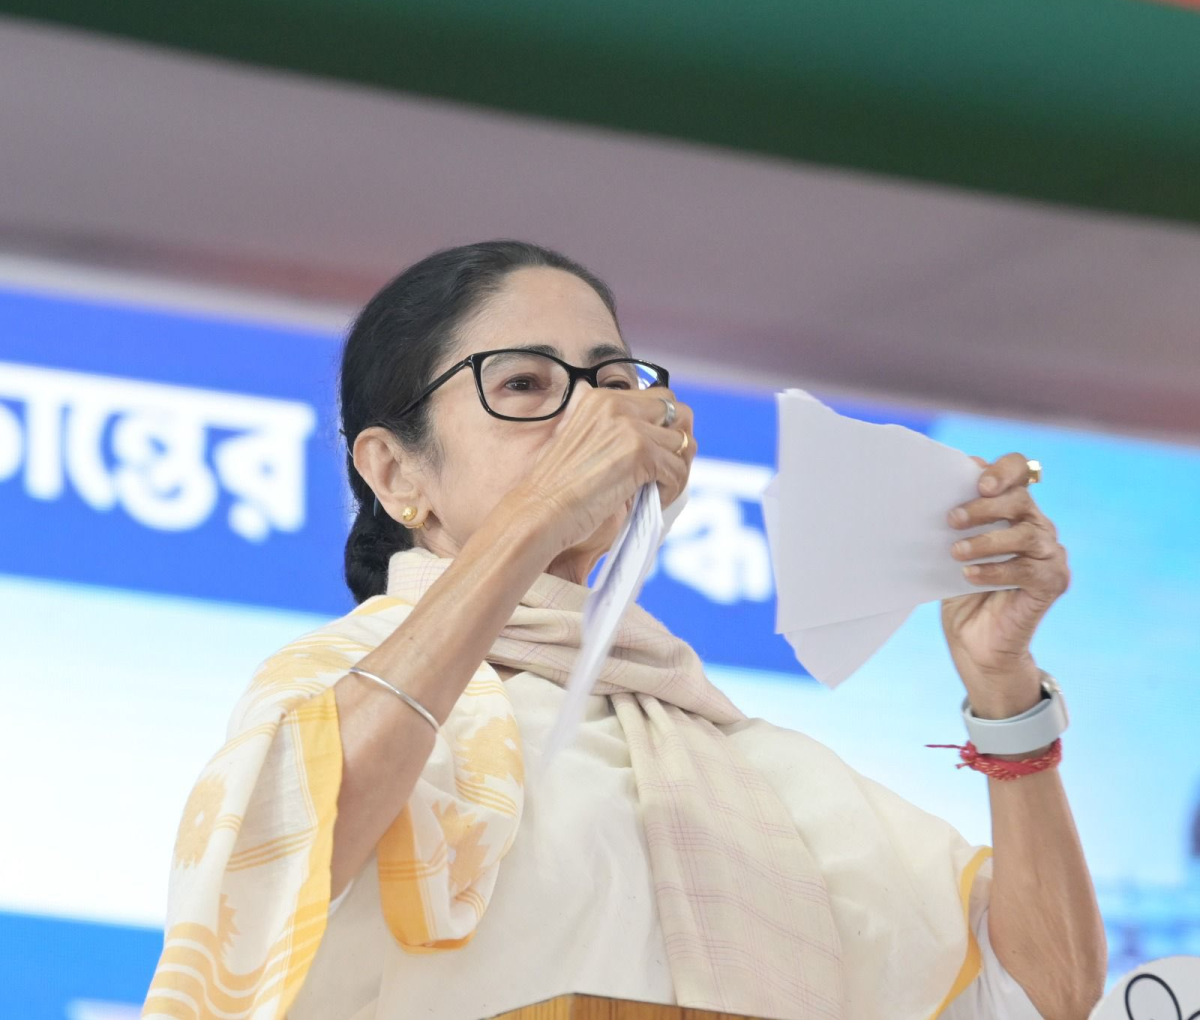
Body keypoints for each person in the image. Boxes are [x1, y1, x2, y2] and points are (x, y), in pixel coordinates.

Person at [143, 240, 1107, 1020]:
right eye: (523, 387)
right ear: (397, 475)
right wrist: (537, 516)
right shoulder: (331, 686)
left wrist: (1002, 688)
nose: (591, 418)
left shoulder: (740, 760)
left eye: (612, 383)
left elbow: (1040, 995)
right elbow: (272, 866)